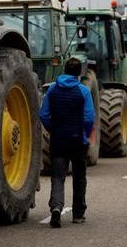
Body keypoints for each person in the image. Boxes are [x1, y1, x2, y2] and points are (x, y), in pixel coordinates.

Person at [39, 58, 95, 228]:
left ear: (64, 70)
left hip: (58, 140)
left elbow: (43, 115)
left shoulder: (53, 90)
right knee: (79, 177)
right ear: (79, 73)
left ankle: (56, 208)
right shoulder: (83, 91)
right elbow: (89, 117)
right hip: (78, 140)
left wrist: (52, 130)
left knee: (57, 176)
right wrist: (84, 133)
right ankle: (78, 214)